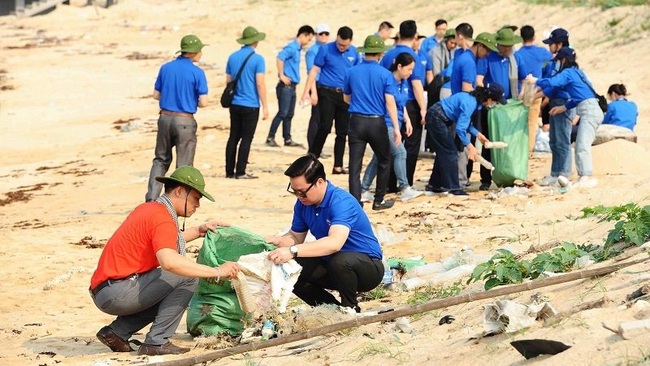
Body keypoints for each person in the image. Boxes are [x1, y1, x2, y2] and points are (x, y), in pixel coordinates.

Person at [90, 166, 240, 356]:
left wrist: (198, 231)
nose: (198, 205)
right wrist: (218, 271)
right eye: (196, 198)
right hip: (117, 291)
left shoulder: (151, 209)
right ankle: (156, 342)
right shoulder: (163, 218)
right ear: (179, 191)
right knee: (187, 278)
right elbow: (169, 261)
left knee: (169, 286)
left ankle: (116, 332)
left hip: (107, 290)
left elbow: (165, 241)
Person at [265, 155, 384, 313]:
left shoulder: (341, 202)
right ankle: (329, 309)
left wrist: (292, 251)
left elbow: (334, 243)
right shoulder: (303, 204)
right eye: (295, 192)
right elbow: (295, 237)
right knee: (288, 267)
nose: (299, 197)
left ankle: (350, 307)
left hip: (366, 268)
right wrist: (278, 241)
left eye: (302, 192)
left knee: (340, 260)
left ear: (319, 182)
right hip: (332, 266)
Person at [145, 35, 208, 202]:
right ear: (194, 52)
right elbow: (204, 102)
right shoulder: (197, 72)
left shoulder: (165, 68)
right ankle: (178, 201)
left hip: (165, 117)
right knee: (184, 165)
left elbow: (156, 95)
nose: (201, 53)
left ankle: (151, 198)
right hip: (185, 120)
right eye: (200, 50)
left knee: (160, 160)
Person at [343, 35, 401, 211]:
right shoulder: (385, 74)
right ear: (380, 53)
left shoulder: (351, 71)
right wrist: (397, 128)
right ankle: (379, 200)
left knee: (355, 164)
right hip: (376, 122)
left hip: (356, 121)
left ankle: (355, 203)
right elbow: (390, 102)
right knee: (384, 159)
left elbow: (346, 98)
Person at [535, 47, 603, 188]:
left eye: (558, 60)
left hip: (590, 111)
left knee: (582, 144)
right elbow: (579, 97)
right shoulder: (578, 73)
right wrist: (564, 107)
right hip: (590, 109)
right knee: (580, 143)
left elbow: (553, 82)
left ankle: (585, 176)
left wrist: (535, 80)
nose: (557, 64)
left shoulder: (568, 72)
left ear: (563, 60)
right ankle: (583, 175)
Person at [361, 52, 422, 203]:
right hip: (386, 124)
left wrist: (407, 120)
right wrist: (395, 127)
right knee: (400, 152)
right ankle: (405, 187)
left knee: (378, 157)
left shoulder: (403, 82)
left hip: (396, 123)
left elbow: (402, 103)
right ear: (399, 66)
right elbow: (389, 104)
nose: (411, 72)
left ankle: (363, 189)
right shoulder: (388, 80)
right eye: (409, 69)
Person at [424, 84, 505, 196]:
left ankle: (435, 185)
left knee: (444, 151)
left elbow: (465, 123)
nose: (494, 105)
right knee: (451, 152)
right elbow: (460, 129)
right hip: (437, 117)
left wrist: (478, 134)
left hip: (439, 116)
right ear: (490, 99)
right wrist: (470, 146)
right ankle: (454, 188)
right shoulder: (470, 104)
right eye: (495, 102)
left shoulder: (475, 102)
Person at [302, 26, 360, 175]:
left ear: (350, 42)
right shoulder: (326, 49)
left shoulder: (355, 52)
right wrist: (307, 92)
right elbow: (314, 71)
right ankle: (311, 160)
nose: (341, 47)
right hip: (327, 93)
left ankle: (338, 166)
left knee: (342, 132)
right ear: (337, 38)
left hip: (345, 96)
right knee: (325, 126)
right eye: (339, 43)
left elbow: (356, 75)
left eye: (344, 45)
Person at [476, 28, 528, 191]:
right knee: (488, 141)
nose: (507, 49)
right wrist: (487, 98)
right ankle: (486, 178)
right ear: (497, 44)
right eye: (504, 46)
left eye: (510, 46)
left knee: (510, 141)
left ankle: (511, 174)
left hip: (510, 106)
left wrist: (521, 94)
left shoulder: (516, 57)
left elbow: (525, 78)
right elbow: (479, 79)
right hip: (491, 106)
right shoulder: (488, 58)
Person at [380, 20, 427, 189]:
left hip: (388, 103)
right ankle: (405, 184)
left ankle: (389, 183)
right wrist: (423, 109)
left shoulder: (387, 55)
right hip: (407, 105)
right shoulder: (413, 57)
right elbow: (416, 84)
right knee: (410, 146)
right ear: (415, 36)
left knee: (392, 144)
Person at [224, 26, 269, 179]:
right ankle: (241, 171)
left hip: (235, 103)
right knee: (247, 138)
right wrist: (265, 106)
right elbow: (260, 83)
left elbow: (228, 82)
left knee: (233, 137)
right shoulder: (258, 59)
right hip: (250, 104)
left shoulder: (232, 57)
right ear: (255, 41)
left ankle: (229, 172)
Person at [537, 28, 576, 186]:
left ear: (559, 44)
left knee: (563, 140)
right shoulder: (554, 61)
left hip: (563, 102)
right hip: (554, 101)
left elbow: (558, 83)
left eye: (551, 44)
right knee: (554, 140)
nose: (549, 47)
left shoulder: (566, 60)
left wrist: (539, 93)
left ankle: (564, 173)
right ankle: (555, 172)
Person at [266, 25, 315, 148]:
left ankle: (287, 138)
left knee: (289, 113)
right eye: (308, 39)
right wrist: (281, 75)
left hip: (292, 86)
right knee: (282, 112)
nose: (308, 42)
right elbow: (279, 58)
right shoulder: (292, 48)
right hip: (285, 86)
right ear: (303, 35)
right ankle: (270, 137)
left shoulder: (297, 49)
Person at [515, 25, 553, 153]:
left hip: (519, 92)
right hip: (535, 91)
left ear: (521, 37)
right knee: (532, 122)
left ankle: (518, 150)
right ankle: (528, 150)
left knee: (518, 123)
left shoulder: (517, 54)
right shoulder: (541, 53)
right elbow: (550, 66)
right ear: (534, 36)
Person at [306, 24, 331, 154]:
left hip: (325, 87)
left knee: (322, 118)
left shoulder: (327, 49)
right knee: (316, 117)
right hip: (316, 85)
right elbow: (312, 72)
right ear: (316, 35)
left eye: (326, 34)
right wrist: (313, 92)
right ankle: (312, 148)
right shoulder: (313, 50)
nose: (324, 36)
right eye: (321, 34)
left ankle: (317, 148)